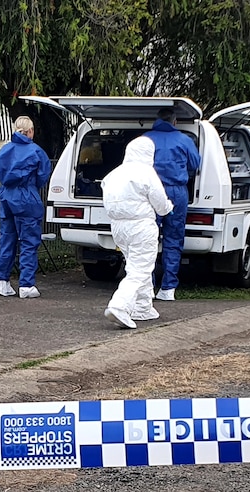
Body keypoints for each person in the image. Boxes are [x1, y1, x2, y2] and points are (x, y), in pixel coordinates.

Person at [102, 136, 174, 329]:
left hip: (118, 227)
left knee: (135, 266)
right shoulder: (146, 173)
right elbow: (160, 203)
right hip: (141, 226)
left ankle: (143, 307)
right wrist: (168, 208)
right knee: (140, 270)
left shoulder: (113, 174)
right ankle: (119, 306)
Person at [0, 116, 53, 299]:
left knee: (7, 239)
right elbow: (43, 175)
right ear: (31, 131)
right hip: (27, 197)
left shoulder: (4, 150)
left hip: (7, 196)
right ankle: (26, 284)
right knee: (28, 241)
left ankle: (1, 282)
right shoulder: (36, 151)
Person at [145, 107, 201, 302]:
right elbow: (195, 164)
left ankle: (147, 286)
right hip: (177, 191)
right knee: (173, 238)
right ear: (175, 121)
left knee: (148, 239)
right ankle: (168, 288)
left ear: (157, 120)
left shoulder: (146, 138)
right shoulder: (184, 140)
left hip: (151, 191)